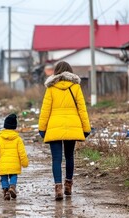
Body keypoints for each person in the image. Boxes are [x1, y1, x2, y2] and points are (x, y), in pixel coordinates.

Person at [38, 61, 91, 201]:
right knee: (69, 156)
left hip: (54, 127)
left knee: (56, 159)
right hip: (72, 127)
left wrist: (42, 128)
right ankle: (68, 185)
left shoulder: (50, 88)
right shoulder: (75, 87)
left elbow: (45, 110)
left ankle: (58, 188)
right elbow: (82, 109)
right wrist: (86, 128)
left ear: (56, 71)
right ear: (70, 71)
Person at [0, 114, 29, 200]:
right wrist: (25, 163)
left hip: (3, 165)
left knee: (3, 178)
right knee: (13, 176)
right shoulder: (18, 139)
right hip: (14, 164)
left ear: (5, 126)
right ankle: (12, 186)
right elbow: (22, 153)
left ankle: (6, 191)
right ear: (15, 127)